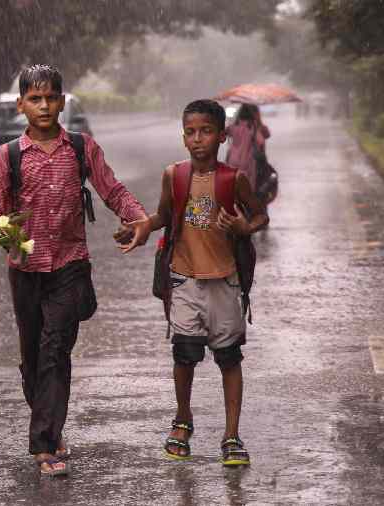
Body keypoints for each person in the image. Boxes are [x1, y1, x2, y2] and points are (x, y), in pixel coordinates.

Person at [0, 65, 149, 476]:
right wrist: (5, 232)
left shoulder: (81, 148)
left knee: (55, 351)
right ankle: (51, 428)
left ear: (62, 102)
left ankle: (43, 447)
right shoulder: (9, 156)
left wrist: (138, 217)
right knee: (32, 358)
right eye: (34, 99)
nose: (44, 106)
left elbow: (111, 189)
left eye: (51, 98)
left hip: (70, 266)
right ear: (21, 105)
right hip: (25, 270)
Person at [125, 99, 268, 466]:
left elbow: (260, 216)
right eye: (191, 132)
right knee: (185, 355)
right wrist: (144, 227)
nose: (198, 139)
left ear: (222, 135)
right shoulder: (174, 175)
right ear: (183, 137)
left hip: (225, 281)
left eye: (206, 131)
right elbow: (163, 215)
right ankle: (183, 419)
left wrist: (242, 227)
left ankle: (231, 433)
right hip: (184, 279)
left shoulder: (233, 179)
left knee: (229, 358)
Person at [226, 103, 270, 192]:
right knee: (248, 190)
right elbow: (261, 140)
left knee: (233, 188)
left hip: (232, 161)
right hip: (248, 162)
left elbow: (225, 133)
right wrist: (259, 123)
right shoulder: (253, 126)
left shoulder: (234, 126)